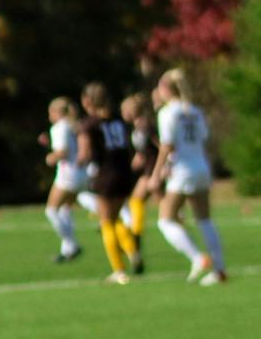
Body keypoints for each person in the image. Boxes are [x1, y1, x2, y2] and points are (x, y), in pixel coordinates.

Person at [148, 68, 227, 285]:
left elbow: (167, 145)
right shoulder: (194, 110)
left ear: (165, 89)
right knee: (204, 220)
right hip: (200, 166)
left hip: (182, 171)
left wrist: (156, 174)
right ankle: (220, 270)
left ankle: (197, 257)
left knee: (165, 220)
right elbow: (202, 138)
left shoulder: (167, 113)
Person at [78, 83, 142, 284]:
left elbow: (85, 154)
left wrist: (79, 163)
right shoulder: (119, 121)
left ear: (87, 101)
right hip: (124, 173)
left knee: (106, 222)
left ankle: (119, 270)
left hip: (105, 174)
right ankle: (132, 251)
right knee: (116, 219)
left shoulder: (89, 124)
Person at [39, 97, 88, 263]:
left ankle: (71, 244)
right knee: (66, 210)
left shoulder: (59, 127)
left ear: (56, 112)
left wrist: (50, 158)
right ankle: (67, 249)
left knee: (51, 210)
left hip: (67, 174)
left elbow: (63, 152)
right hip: (81, 172)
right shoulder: (73, 125)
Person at [122, 93, 159, 239]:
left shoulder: (146, 126)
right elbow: (143, 150)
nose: (122, 113)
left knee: (137, 199)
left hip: (155, 169)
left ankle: (135, 233)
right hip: (149, 169)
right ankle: (135, 231)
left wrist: (166, 165)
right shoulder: (137, 127)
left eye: (124, 110)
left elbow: (161, 145)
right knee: (140, 200)